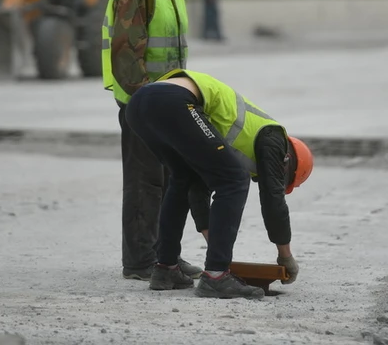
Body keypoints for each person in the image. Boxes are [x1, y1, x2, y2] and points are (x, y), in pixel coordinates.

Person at [124, 68, 314, 300]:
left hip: (140, 104)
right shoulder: (274, 137)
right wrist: (285, 256)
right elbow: (273, 199)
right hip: (172, 101)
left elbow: (198, 189)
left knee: (184, 178)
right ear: (289, 162)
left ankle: (166, 268)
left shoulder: (241, 139)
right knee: (234, 180)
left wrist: (214, 243)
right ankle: (216, 278)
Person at [101, 0, 214, 281]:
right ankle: (140, 261)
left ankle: (165, 257)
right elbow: (126, 54)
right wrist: (145, 107)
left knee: (169, 181)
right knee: (145, 182)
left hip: (165, 104)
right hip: (144, 105)